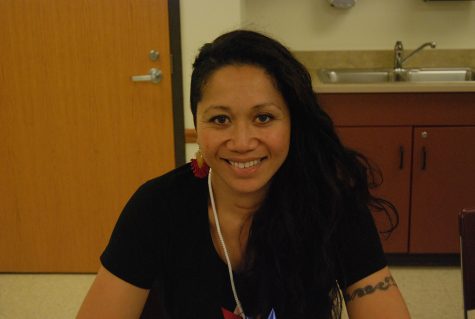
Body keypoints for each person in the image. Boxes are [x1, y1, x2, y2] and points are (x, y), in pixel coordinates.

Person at [77, 30, 410, 319]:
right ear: (197, 124)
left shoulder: (331, 202)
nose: (241, 143)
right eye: (220, 120)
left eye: (263, 118)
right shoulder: (156, 208)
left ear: (293, 121)